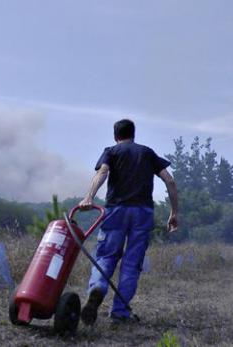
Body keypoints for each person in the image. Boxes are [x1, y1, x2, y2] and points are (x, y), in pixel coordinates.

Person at [78, 119, 179, 326]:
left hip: (116, 210)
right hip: (143, 213)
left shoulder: (112, 151)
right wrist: (174, 212)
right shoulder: (147, 153)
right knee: (132, 264)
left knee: (106, 255)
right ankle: (120, 313)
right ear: (134, 134)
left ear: (116, 136)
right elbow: (169, 180)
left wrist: (89, 196)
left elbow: (102, 172)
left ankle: (97, 288)